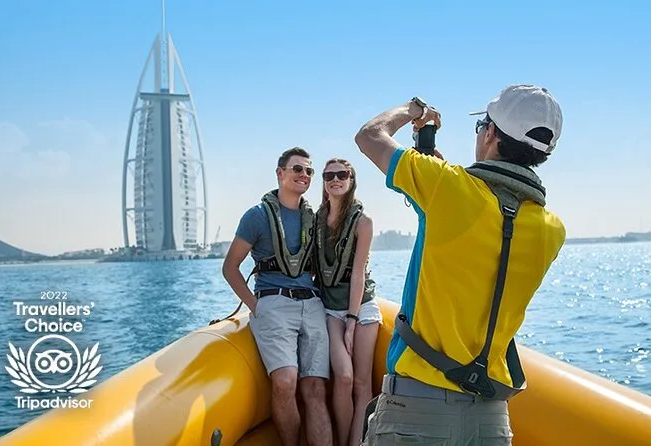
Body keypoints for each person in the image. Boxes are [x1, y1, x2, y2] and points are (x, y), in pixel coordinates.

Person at [353, 85, 566, 445]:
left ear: (491, 133)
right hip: (491, 421)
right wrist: (441, 178)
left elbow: (370, 136)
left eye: (482, 125)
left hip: (416, 414)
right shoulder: (552, 230)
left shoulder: (446, 188)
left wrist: (413, 109)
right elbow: (483, 224)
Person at [222, 147, 333, 446]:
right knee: (285, 381)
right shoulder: (256, 216)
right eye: (297, 169)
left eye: (309, 171)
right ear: (280, 173)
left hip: (311, 304)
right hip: (273, 302)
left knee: (315, 388)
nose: (304, 175)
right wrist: (256, 306)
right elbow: (230, 267)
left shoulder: (315, 218)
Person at [314, 158, 382, 446]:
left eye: (342, 174)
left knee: (361, 382)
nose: (335, 179)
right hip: (331, 308)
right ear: (323, 181)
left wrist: (352, 322)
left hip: (361, 307)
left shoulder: (363, 223)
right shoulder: (315, 220)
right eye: (329, 175)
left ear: (351, 180)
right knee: (343, 377)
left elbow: (357, 274)